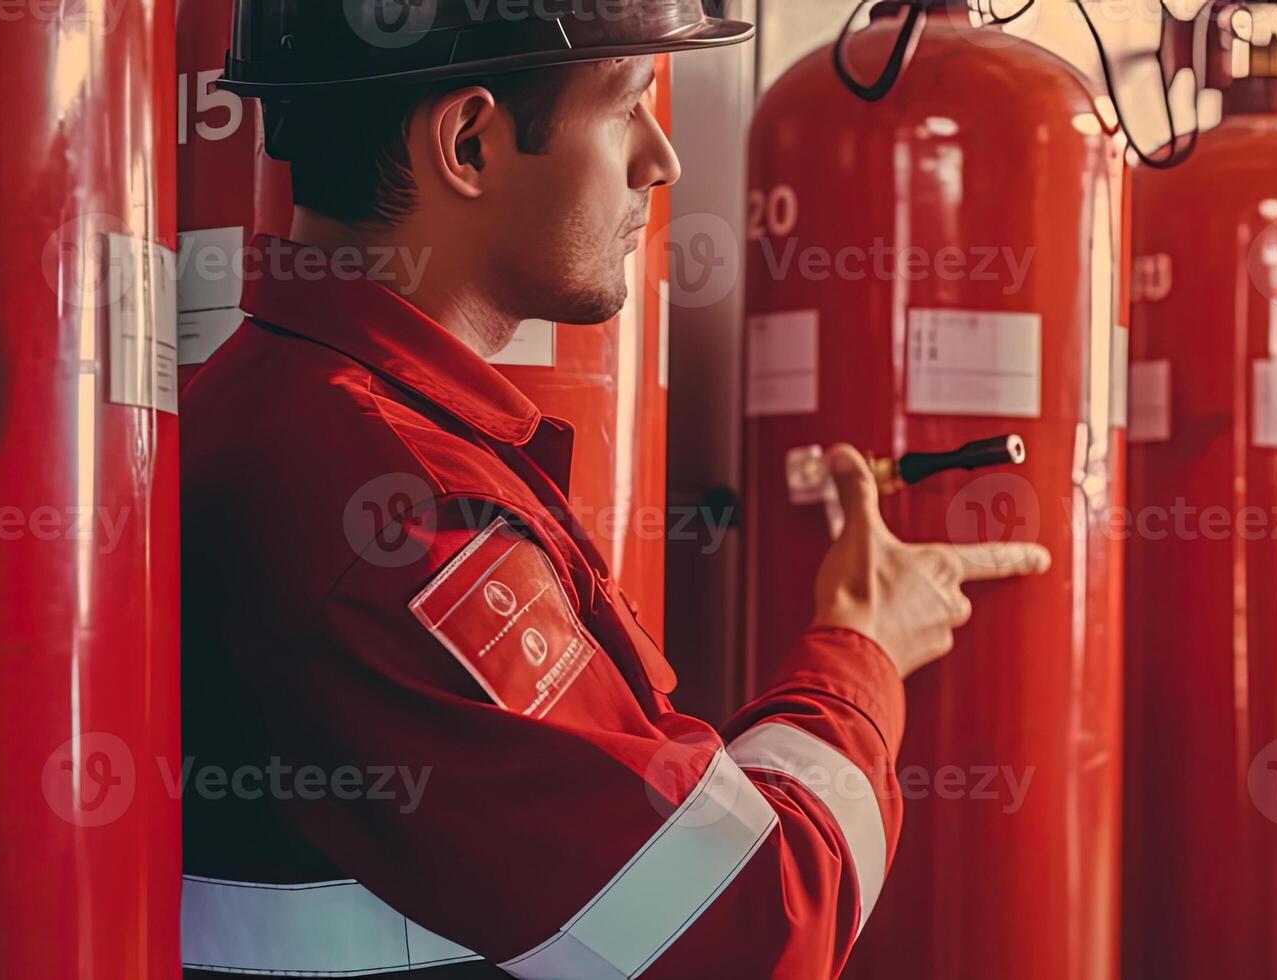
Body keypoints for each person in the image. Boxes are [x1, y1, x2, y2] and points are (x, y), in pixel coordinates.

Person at [179, 2, 1047, 976]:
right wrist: (861, 647)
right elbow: (761, 921)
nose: (662, 160)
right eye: (628, 105)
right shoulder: (398, 517)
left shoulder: (272, 412)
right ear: (469, 140)